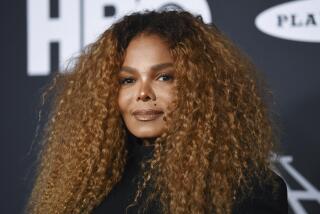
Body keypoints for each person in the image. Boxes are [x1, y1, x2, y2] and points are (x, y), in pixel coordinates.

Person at [25, 10, 288, 214]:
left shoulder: (252, 190)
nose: (143, 93)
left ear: (201, 87)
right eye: (127, 80)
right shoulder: (84, 187)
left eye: (164, 77)